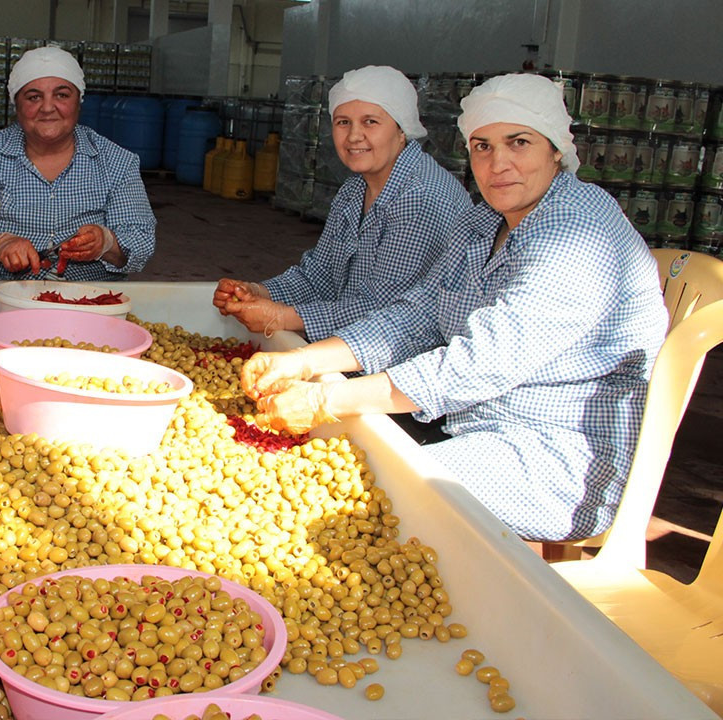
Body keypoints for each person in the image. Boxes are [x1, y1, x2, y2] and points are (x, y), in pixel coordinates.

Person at [238, 74, 667, 543]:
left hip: (556, 457)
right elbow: (418, 314)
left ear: (556, 150)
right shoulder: (486, 219)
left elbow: (477, 365)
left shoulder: (577, 233)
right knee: (346, 469)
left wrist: (326, 399)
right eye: (482, 146)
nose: (498, 163)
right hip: (479, 426)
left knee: (373, 493)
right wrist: (304, 360)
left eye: (518, 142)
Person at [214, 65, 470, 342]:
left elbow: (385, 311)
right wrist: (260, 293)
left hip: (398, 368)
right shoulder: (354, 190)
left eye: (370, 121)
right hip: (350, 350)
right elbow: (320, 274)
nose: (354, 136)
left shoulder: (422, 198)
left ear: (401, 129)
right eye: (343, 122)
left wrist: (282, 316)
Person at [0, 46, 156, 281]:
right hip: (0, 293)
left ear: (78, 101)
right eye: (33, 97)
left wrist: (107, 243)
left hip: (88, 298)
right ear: (16, 104)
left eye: (62, 95)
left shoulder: (117, 162)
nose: (48, 108)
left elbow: (142, 239)